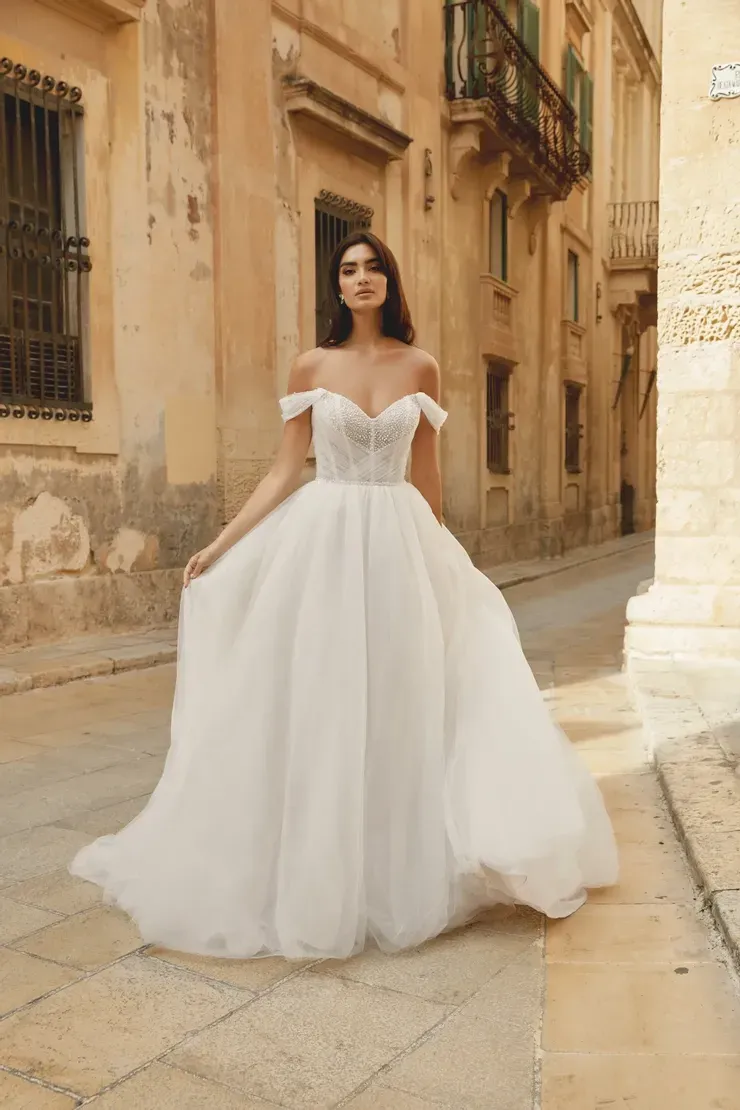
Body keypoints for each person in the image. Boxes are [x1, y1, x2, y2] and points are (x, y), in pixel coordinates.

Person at [70, 231, 618, 960]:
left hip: (396, 543)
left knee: (397, 698)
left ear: (389, 283)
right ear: (338, 286)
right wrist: (220, 545)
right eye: (348, 271)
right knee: (319, 696)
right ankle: (307, 865)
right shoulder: (312, 364)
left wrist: (444, 562)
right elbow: (281, 472)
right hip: (321, 543)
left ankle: (391, 863)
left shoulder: (420, 366)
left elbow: (427, 480)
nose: (360, 280)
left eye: (372, 270)